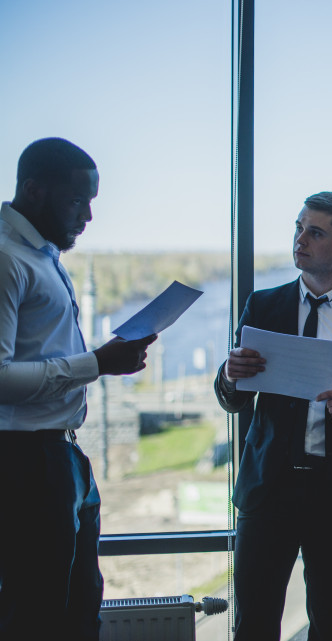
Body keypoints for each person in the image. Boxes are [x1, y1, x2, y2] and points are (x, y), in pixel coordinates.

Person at [214, 191, 332, 640]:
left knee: (330, 624)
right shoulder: (264, 306)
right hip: (269, 489)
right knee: (254, 626)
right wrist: (229, 375)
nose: (300, 240)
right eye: (299, 228)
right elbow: (233, 400)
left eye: (315, 232)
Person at [0, 137, 157, 640]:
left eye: (92, 202)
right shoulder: (7, 260)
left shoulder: (44, 255)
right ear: (33, 190)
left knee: (80, 603)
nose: (88, 216)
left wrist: (105, 360)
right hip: (23, 462)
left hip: (62, 455)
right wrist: (96, 363)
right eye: (76, 201)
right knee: (38, 613)